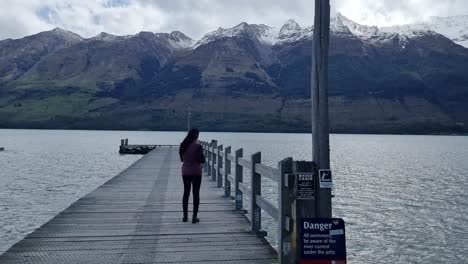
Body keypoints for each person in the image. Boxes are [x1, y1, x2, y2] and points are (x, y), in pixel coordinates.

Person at [179, 128, 206, 223]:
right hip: (196, 172)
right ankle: (194, 217)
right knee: (196, 193)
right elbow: (202, 160)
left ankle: (185, 216)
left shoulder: (183, 145)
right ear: (196, 136)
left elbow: (182, 159)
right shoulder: (198, 146)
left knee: (186, 193)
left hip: (185, 171)